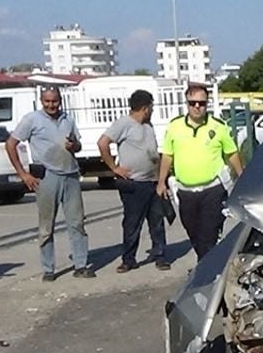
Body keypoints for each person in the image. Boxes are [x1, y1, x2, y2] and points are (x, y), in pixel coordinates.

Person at [4, 87, 93, 282]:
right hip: (46, 176)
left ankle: (81, 264)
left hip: (70, 174)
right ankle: (48, 268)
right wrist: (23, 173)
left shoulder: (68, 119)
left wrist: (74, 146)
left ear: (60, 101)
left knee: (77, 223)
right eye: (47, 102)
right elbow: (10, 144)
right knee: (46, 225)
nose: (51, 105)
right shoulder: (31, 120)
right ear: (41, 101)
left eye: (55, 101)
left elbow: (78, 145)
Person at [156, 85, 243, 260]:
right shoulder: (175, 126)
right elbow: (167, 155)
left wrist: (242, 175)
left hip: (213, 190)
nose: (197, 107)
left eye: (201, 103)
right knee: (193, 233)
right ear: (186, 104)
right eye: (193, 103)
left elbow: (231, 153)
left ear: (207, 104)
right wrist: (161, 182)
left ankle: (207, 272)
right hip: (185, 192)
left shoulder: (218, 126)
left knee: (208, 234)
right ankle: (208, 263)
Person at [98, 89, 168, 273]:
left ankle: (160, 255)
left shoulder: (148, 125)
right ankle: (129, 259)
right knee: (132, 223)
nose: (152, 110)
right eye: (151, 107)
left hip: (152, 182)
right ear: (145, 108)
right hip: (135, 184)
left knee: (157, 221)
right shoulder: (124, 123)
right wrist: (114, 167)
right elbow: (103, 143)